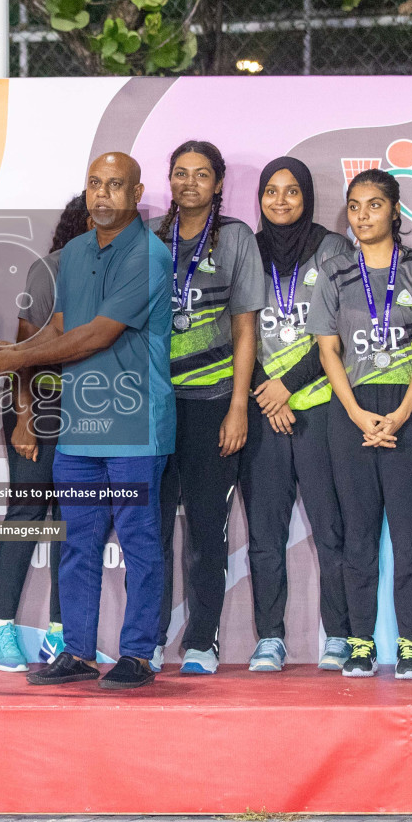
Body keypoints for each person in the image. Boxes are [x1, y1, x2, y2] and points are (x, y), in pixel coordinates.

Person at [0, 151, 174, 691]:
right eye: (94, 184)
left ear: (136, 195)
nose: (103, 194)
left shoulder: (151, 255)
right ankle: (78, 652)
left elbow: (98, 334)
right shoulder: (77, 252)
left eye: (115, 185)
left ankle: (138, 653)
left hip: (135, 424)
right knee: (79, 539)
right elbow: (60, 327)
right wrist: (3, 348)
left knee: (138, 539)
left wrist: (15, 359)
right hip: (81, 426)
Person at [312, 169, 412, 678]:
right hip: (350, 413)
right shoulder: (333, 272)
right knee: (358, 536)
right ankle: (360, 643)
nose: (362, 216)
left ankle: (411, 644)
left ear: (395, 211)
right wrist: (355, 413)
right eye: (354, 206)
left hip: (410, 414)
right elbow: (327, 348)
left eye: (374, 205)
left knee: (409, 535)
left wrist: (400, 413)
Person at [151, 141, 263, 675]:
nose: (188, 183)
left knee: (205, 527)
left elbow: (246, 327)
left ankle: (202, 640)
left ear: (219, 183)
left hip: (213, 402)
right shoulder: (151, 239)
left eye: (201, 175)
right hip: (154, 408)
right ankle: (146, 636)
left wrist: (238, 406)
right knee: (148, 529)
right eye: (179, 173)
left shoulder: (236, 238)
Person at [242, 156, 353, 673]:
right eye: (271, 192)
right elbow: (233, 328)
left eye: (291, 192)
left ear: (307, 197)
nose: (281, 201)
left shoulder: (333, 249)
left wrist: (287, 386)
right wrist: (266, 390)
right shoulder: (247, 249)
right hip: (264, 412)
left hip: (322, 411)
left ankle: (339, 635)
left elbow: (342, 330)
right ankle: (270, 637)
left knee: (332, 530)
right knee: (265, 536)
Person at [0, 194, 87, 672]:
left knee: (71, 520)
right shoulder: (50, 269)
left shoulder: (122, 272)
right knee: (27, 513)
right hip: (38, 405)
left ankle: (61, 633)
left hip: (88, 410)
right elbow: (25, 348)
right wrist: (25, 418)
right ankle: (0, 630)